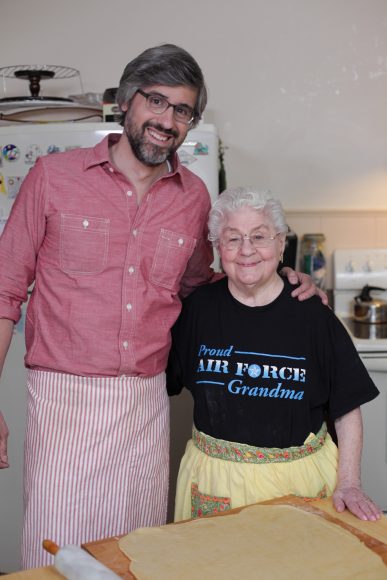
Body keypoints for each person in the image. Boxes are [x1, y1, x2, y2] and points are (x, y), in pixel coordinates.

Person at [0, 45, 323, 569]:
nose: (167, 120)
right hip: (65, 399)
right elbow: (5, 287)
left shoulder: (193, 196)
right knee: (55, 558)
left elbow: (202, 285)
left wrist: (275, 275)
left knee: (139, 554)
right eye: (157, 101)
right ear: (127, 102)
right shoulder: (52, 178)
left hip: (146, 404)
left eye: (182, 110)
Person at [167, 186, 382, 524]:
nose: (247, 250)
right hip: (216, 489)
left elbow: (346, 408)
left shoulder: (312, 313)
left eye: (260, 237)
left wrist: (350, 482)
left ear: (281, 243)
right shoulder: (198, 311)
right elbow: (151, 384)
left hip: (301, 486)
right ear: (217, 248)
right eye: (233, 238)